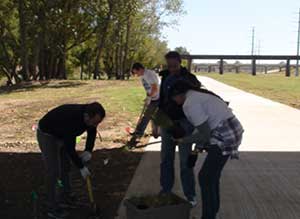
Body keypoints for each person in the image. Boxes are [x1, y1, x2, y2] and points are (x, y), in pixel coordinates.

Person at [169, 80, 244, 219]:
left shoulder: (190, 104)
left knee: (205, 177)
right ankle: (212, 212)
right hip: (230, 129)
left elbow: (205, 134)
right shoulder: (196, 95)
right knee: (211, 177)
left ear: (178, 94)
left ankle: (208, 216)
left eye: (173, 98)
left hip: (225, 134)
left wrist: (183, 140)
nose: (174, 101)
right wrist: (196, 149)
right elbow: (202, 127)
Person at [37, 102, 105, 219]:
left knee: (66, 167)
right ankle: (51, 207)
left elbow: (92, 131)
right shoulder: (72, 119)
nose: (95, 125)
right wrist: (81, 167)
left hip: (62, 134)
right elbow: (70, 148)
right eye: (94, 122)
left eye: (97, 123)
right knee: (53, 171)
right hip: (47, 135)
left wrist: (88, 150)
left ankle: (66, 197)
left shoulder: (90, 117)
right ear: (87, 116)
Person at [157, 51, 201, 206]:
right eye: (169, 66)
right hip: (167, 123)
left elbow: (198, 103)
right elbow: (161, 102)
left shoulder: (190, 79)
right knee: (166, 160)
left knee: (185, 162)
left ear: (180, 63)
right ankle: (166, 190)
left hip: (185, 124)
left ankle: (190, 195)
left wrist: (196, 127)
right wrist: (156, 124)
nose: (172, 69)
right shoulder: (165, 78)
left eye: (174, 66)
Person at [129, 63, 160, 146]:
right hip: (153, 98)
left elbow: (155, 88)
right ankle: (140, 133)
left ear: (140, 69)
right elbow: (148, 88)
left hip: (158, 98)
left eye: (136, 72)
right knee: (149, 116)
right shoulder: (143, 76)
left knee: (147, 116)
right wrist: (147, 97)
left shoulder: (149, 74)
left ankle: (138, 134)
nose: (136, 74)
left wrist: (150, 97)